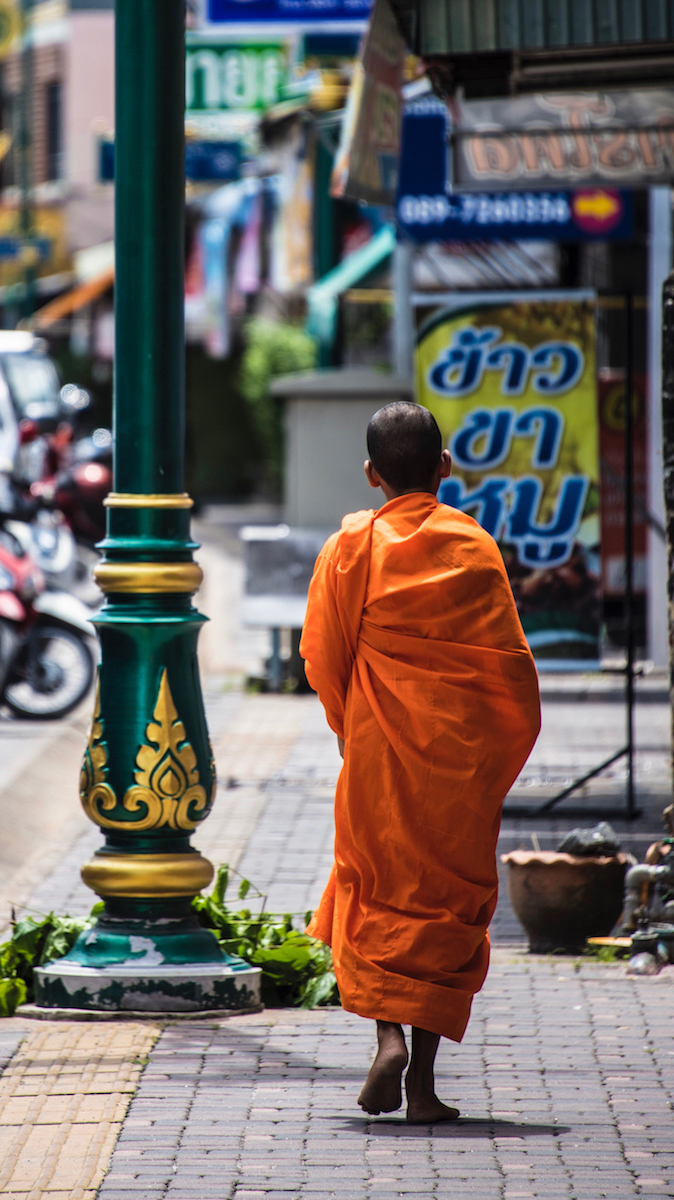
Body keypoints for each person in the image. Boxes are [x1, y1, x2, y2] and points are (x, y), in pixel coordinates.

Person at [300, 401, 541, 1123]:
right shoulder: (474, 546)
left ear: (372, 475)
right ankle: (423, 1087)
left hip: (380, 751)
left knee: (373, 888)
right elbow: (509, 670)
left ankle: (386, 1039)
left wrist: (352, 726)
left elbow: (322, 653)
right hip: (461, 760)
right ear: (444, 469)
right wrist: (494, 754)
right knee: (449, 901)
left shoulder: (353, 546)